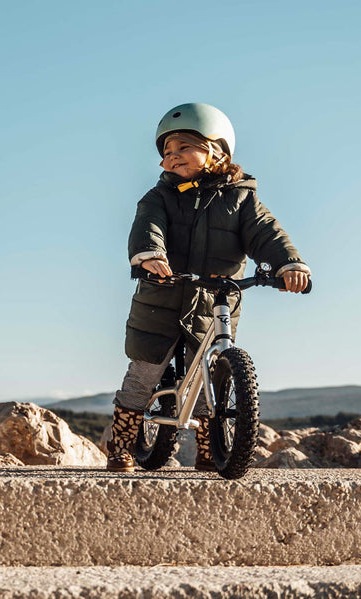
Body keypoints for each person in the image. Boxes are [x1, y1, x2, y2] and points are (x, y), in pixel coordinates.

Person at [107, 103, 311, 472]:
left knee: (212, 373)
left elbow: (266, 233)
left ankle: (210, 448)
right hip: (162, 295)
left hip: (215, 299)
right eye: (167, 153)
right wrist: (150, 255)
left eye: (183, 147)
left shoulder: (241, 198)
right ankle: (122, 446)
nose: (172, 158)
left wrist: (289, 264)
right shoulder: (160, 197)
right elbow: (146, 226)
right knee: (145, 372)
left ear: (216, 149)